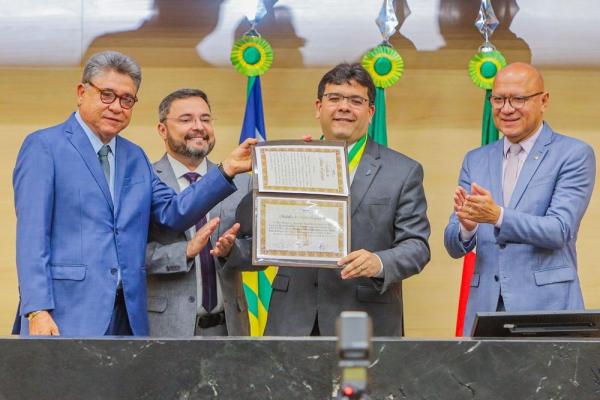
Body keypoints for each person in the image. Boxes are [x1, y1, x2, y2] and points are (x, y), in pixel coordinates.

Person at [13, 51, 256, 337]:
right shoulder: (45, 147)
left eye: (127, 99)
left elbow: (173, 212)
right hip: (65, 314)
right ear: (81, 92)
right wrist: (37, 309)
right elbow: (32, 236)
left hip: (129, 316)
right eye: (107, 95)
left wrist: (225, 170)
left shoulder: (134, 157)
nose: (117, 106)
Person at [228, 63, 431, 336]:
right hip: (292, 318)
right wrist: (270, 175)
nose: (344, 107)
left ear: (370, 112)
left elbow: (417, 246)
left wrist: (379, 262)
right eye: (334, 98)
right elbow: (253, 232)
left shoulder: (403, 171)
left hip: (363, 321)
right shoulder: (290, 160)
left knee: (356, 382)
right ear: (318, 107)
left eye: (355, 101)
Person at [444, 62, 596, 335]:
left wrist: (497, 216)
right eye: (499, 99)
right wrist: (467, 227)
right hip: (486, 308)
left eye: (518, 99)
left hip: (547, 307)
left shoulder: (573, 154)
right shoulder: (475, 159)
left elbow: (559, 230)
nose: (507, 108)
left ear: (544, 100)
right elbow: (454, 246)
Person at [145, 89, 252, 336]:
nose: (198, 127)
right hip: (167, 330)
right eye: (186, 120)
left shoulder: (242, 182)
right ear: (162, 130)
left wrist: (232, 252)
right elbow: (131, 256)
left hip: (229, 329)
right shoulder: (145, 180)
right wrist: (184, 251)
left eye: (205, 119)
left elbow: (259, 255)